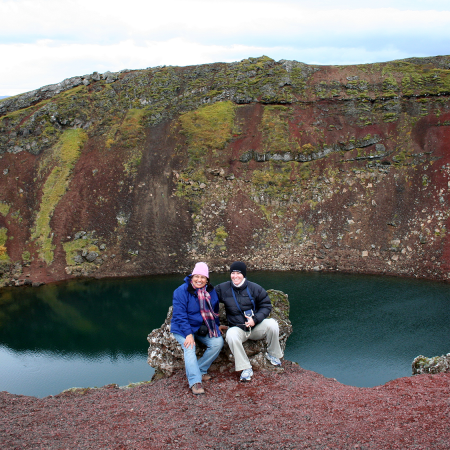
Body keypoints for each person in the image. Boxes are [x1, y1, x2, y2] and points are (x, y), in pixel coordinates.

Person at [215, 261, 283, 382]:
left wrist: (255, 319)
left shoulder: (255, 288)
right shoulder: (222, 288)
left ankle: (273, 354)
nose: (235, 276)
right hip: (238, 328)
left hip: (255, 327)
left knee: (272, 324)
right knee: (230, 335)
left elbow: (266, 306)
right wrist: (215, 324)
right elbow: (208, 297)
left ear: (244, 275)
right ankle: (245, 367)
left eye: (238, 273)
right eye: (233, 273)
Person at [170, 262, 224, 395]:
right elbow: (179, 315)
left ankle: (199, 369)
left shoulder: (211, 292)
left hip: (202, 328)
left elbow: (214, 311)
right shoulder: (181, 291)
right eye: (197, 276)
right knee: (189, 347)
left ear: (207, 279)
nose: (199, 280)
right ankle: (195, 381)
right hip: (183, 328)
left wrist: (216, 326)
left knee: (217, 342)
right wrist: (188, 334)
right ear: (192, 276)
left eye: (203, 277)